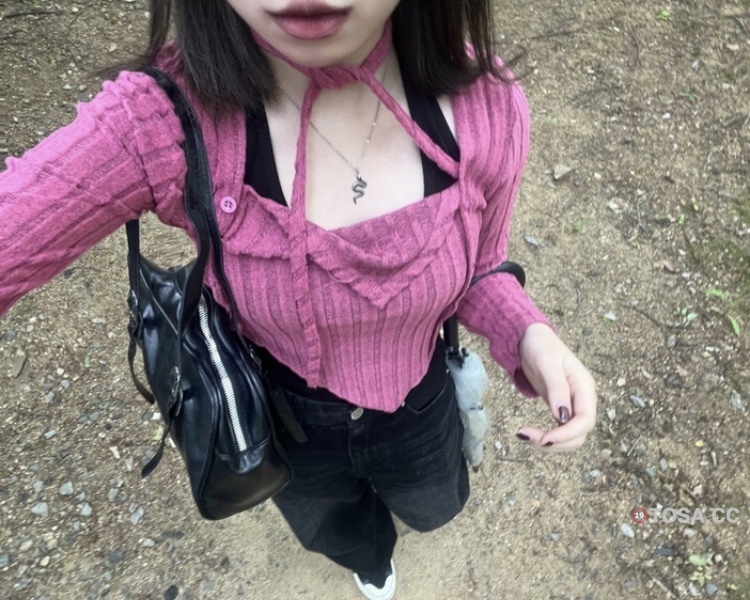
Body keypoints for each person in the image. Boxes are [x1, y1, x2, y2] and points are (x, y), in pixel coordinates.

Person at [0, 1, 597, 598]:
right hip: (286, 418)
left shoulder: (483, 101)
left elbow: (482, 265)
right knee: (332, 525)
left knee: (432, 501)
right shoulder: (162, 121)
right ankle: (368, 559)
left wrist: (527, 332)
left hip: (423, 402)